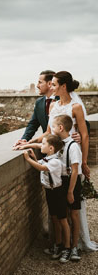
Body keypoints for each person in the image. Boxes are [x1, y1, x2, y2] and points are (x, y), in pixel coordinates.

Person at [28, 71, 98, 252]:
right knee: (58, 206)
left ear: (63, 86)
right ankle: (60, 243)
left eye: (54, 84)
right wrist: (28, 143)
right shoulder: (52, 106)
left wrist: (83, 162)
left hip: (71, 157)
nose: (51, 87)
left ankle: (74, 245)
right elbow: (49, 133)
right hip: (54, 160)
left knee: (73, 204)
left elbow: (84, 134)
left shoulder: (76, 107)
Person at [23, 134, 72, 263]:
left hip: (58, 193)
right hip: (50, 193)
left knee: (63, 220)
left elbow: (42, 168)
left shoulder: (55, 161)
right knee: (55, 219)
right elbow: (41, 163)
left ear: (51, 148)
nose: (41, 146)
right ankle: (58, 244)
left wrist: (28, 159)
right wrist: (33, 155)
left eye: (43, 144)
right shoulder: (47, 158)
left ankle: (67, 248)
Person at [52, 114, 82, 261]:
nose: (52, 129)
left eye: (53, 126)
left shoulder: (73, 145)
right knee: (62, 215)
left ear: (61, 128)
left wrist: (70, 191)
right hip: (61, 182)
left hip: (72, 183)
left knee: (74, 214)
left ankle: (75, 247)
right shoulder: (58, 144)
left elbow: (75, 170)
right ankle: (65, 246)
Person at [14, 70, 56, 147]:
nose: (37, 85)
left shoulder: (62, 101)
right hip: (46, 149)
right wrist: (24, 139)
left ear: (49, 84)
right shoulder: (39, 102)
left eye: (40, 82)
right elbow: (33, 124)